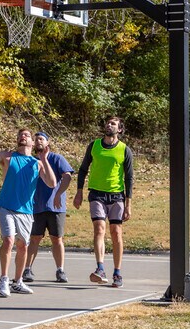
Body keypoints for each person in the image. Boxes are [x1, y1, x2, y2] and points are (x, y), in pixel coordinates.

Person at [0, 121, 56, 297]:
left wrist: (44, 159)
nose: (23, 136)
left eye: (27, 135)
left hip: (26, 211)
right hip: (6, 207)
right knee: (9, 241)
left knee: (22, 246)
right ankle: (4, 279)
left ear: (33, 143)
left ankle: (17, 282)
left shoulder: (37, 163)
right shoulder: (8, 157)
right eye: (21, 135)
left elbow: (52, 183)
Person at [73, 116, 134, 288]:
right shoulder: (94, 146)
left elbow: (129, 178)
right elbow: (83, 169)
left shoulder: (124, 150)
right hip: (97, 194)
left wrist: (128, 205)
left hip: (116, 196)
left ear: (120, 130)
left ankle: (117, 272)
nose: (109, 125)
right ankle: (100, 268)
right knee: (99, 228)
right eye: (108, 123)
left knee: (116, 232)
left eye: (113, 124)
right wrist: (79, 193)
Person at [22, 131, 74, 284]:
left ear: (47, 143)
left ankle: (60, 270)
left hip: (55, 207)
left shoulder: (56, 158)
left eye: (41, 139)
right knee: (34, 238)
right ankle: (27, 269)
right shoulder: (30, 161)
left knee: (56, 239)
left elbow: (68, 176)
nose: (38, 141)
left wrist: (58, 194)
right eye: (36, 139)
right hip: (35, 206)